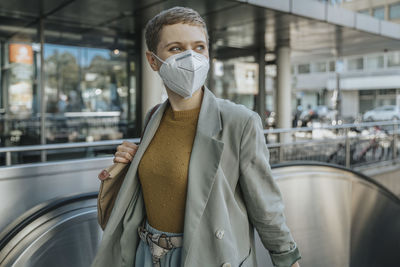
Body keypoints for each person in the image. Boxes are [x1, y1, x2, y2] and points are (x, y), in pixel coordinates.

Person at [91, 6, 301, 267]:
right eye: (176, 48)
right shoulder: (154, 116)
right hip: (147, 256)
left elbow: (265, 206)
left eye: (199, 47)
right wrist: (129, 163)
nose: (191, 57)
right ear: (153, 61)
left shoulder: (240, 121)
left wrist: (287, 258)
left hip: (205, 257)